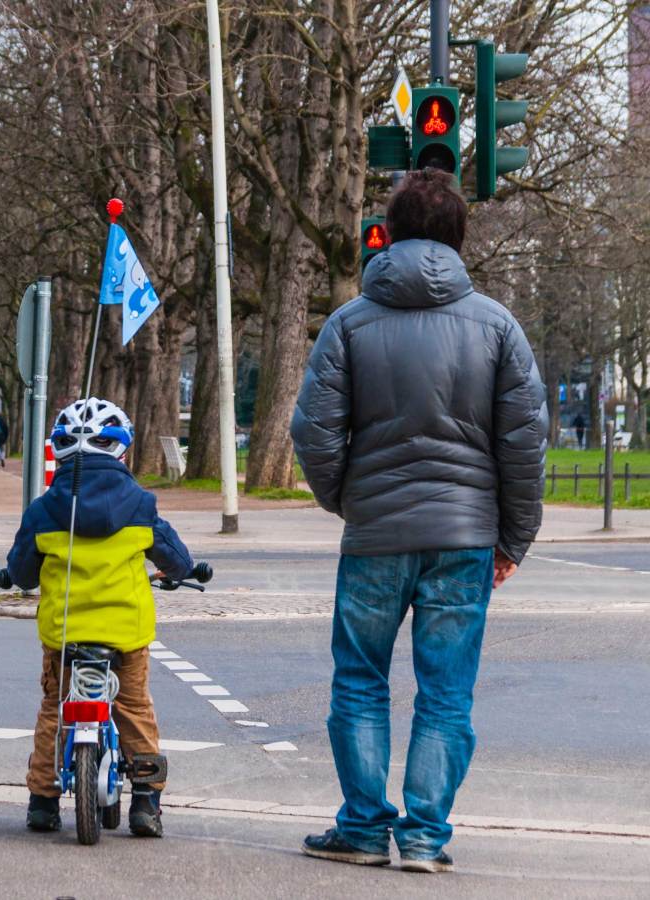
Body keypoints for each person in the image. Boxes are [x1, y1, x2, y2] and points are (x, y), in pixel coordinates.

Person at [290, 170, 546, 873]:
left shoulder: (349, 322)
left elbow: (312, 433)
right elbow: (523, 444)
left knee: (360, 680)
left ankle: (365, 827)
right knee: (446, 690)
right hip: (464, 539)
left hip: (375, 534)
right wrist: (513, 538)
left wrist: (349, 499)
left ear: (389, 234)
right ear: (460, 240)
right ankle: (427, 835)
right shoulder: (496, 327)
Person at [4, 397, 194, 837]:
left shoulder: (42, 511)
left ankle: (42, 803)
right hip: (124, 635)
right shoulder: (141, 507)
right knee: (134, 708)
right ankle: (146, 803)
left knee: (55, 708)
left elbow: (21, 571)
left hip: (64, 633)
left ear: (60, 449)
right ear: (121, 451)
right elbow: (177, 559)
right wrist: (182, 571)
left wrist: (15, 574)